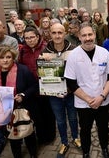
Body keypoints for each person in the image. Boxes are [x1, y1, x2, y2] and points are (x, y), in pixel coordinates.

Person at [0, 45, 38, 157]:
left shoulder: (23, 70)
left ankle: (33, 153)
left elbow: (34, 86)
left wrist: (23, 95)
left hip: (22, 109)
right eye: (2, 57)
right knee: (12, 136)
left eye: (8, 57)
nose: (5, 60)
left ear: (13, 57)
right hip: (2, 112)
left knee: (28, 134)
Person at [64, 22, 109, 158]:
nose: (87, 38)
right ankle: (86, 152)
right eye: (84, 35)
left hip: (102, 101)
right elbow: (71, 83)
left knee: (103, 128)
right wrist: (88, 99)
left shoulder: (104, 53)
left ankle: (104, 148)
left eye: (90, 34)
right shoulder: (73, 56)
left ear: (94, 35)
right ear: (79, 37)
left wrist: (101, 97)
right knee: (85, 129)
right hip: (83, 103)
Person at [40, 23, 81, 157]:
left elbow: (79, 72)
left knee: (73, 118)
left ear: (65, 33)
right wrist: (42, 62)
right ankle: (64, 142)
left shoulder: (75, 50)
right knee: (61, 120)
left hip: (71, 93)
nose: (57, 35)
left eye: (60, 32)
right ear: (50, 34)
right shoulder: (45, 52)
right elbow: (42, 76)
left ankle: (75, 138)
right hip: (54, 95)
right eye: (54, 33)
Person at [19, 26, 56, 144]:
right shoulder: (23, 50)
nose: (29, 40)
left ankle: (50, 136)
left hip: (46, 87)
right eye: (27, 38)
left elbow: (56, 64)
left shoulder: (47, 47)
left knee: (48, 114)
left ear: (38, 37)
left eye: (32, 37)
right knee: (36, 115)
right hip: (31, 89)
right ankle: (41, 137)